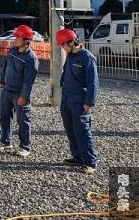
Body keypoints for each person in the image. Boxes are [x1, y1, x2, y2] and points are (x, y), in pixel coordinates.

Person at [56, 28, 99, 174]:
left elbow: (93, 82)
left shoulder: (87, 57)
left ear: (72, 42)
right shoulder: (70, 56)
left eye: (63, 45)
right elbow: (66, 72)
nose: (62, 48)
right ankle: (78, 157)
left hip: (80, 100)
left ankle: (90, 162)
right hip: (67, 98)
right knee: (71, 129)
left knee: (82, 131)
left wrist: (89, 101)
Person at [0, 25, 38, 157]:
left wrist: (24, 96)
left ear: (26, 40)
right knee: (4, 117)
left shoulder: (31, 58)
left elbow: (29, 80)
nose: (15, 39)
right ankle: (6, 142)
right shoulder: (12, 50)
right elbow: (5, 66)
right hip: (7, 90)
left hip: (19, 94)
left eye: (18, 37)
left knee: (23, 120)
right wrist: (2, 81)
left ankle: (25, 147)